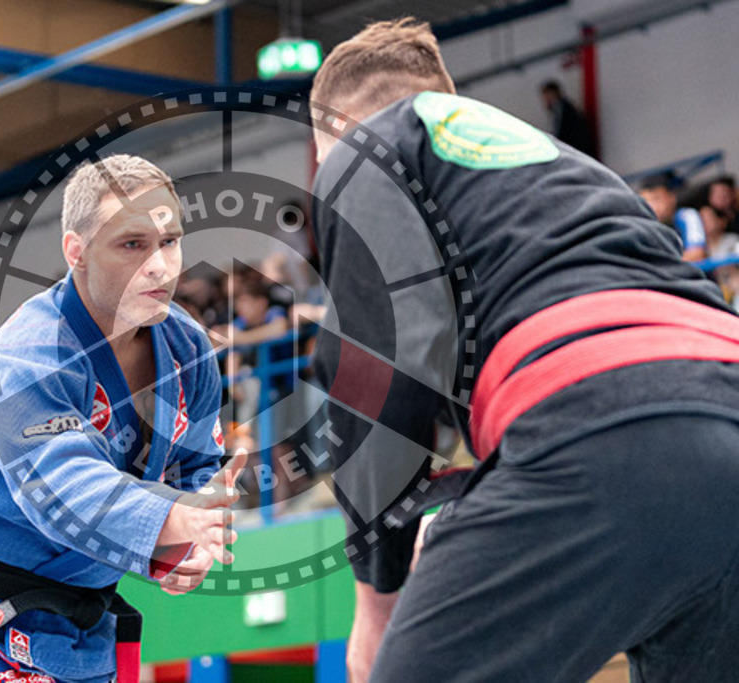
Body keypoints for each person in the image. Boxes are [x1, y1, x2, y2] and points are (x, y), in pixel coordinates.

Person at [309, 17, 739, 683]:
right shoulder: (573, 169)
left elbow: (375, 366)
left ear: (334, 131)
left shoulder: (368, 147)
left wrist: (377, 598)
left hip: (599, 420)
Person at [0, 154, 245, 683]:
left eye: (169, 241)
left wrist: (184, 544)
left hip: (82, 635)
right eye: (132, 245)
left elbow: (193, 466)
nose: (160, 266)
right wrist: (174, 519)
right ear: (76, 252)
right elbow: (64, 491)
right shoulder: (22, 360)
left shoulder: (187, 346)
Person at [638, 171, 707, 262]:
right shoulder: (643, 227)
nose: (653, 207)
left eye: (656, 199)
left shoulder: (686, 216)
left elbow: (696, 254)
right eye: (646, 202)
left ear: (671, 198)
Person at [539, 80, 597, 157]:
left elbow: (565, 133)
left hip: (575, 151)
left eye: (546, 94)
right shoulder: (558, 109)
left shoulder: (565, 110)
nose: (545, 98)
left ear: (553, 93)